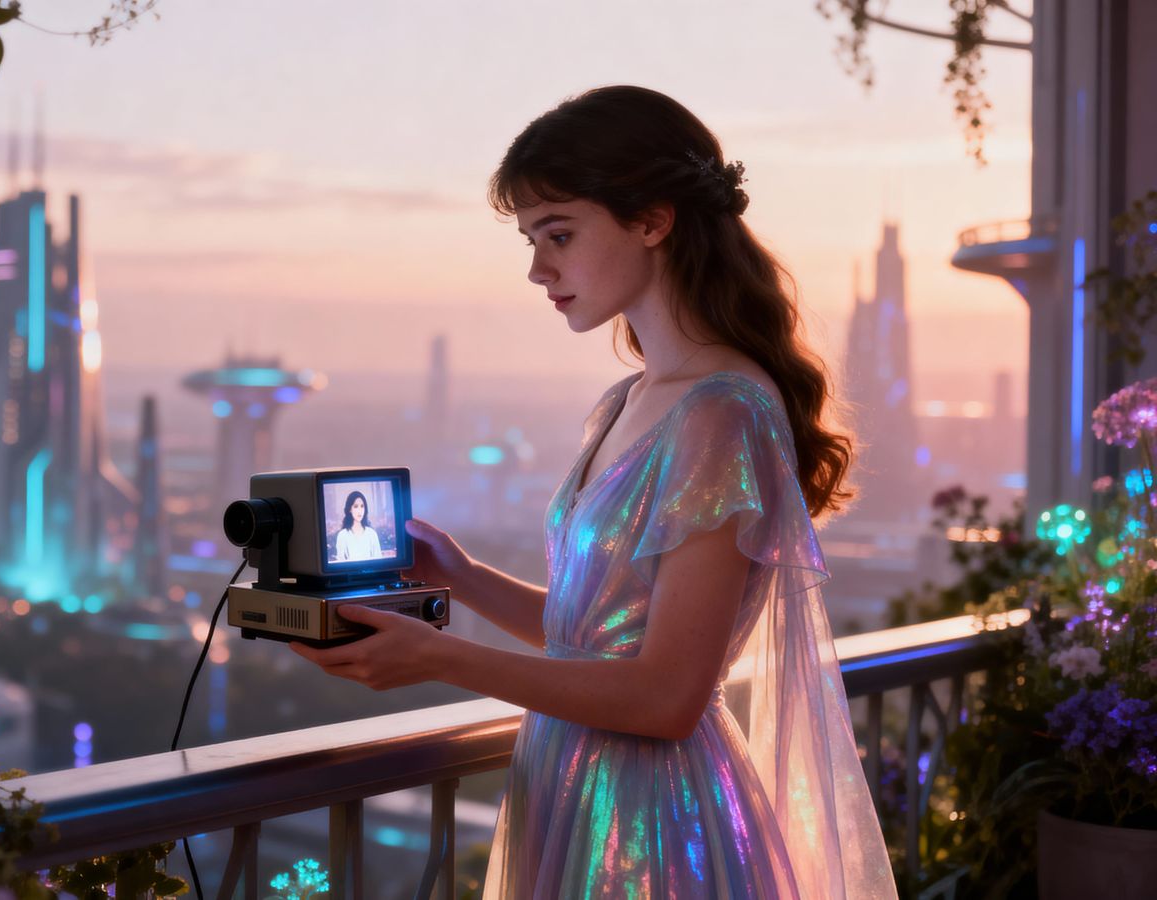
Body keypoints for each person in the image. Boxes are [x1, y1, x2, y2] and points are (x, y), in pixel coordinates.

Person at [290, 86, 896, 898]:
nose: (539, 269)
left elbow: (668, 695)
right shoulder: (633, 397)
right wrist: (462, 576)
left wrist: (439, 656)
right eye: (534, 239)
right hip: (579, 786)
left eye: (560, 234)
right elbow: (600, 640)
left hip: (652, 825)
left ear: (652, 220)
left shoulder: (720, 410)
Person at [333, 490, 384, 561]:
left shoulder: (372, 534)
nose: (360, 510)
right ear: (350, 509)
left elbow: (379, 560)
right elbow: (340, 562)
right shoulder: (342, 535)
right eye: (356, 506)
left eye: (362, 506)